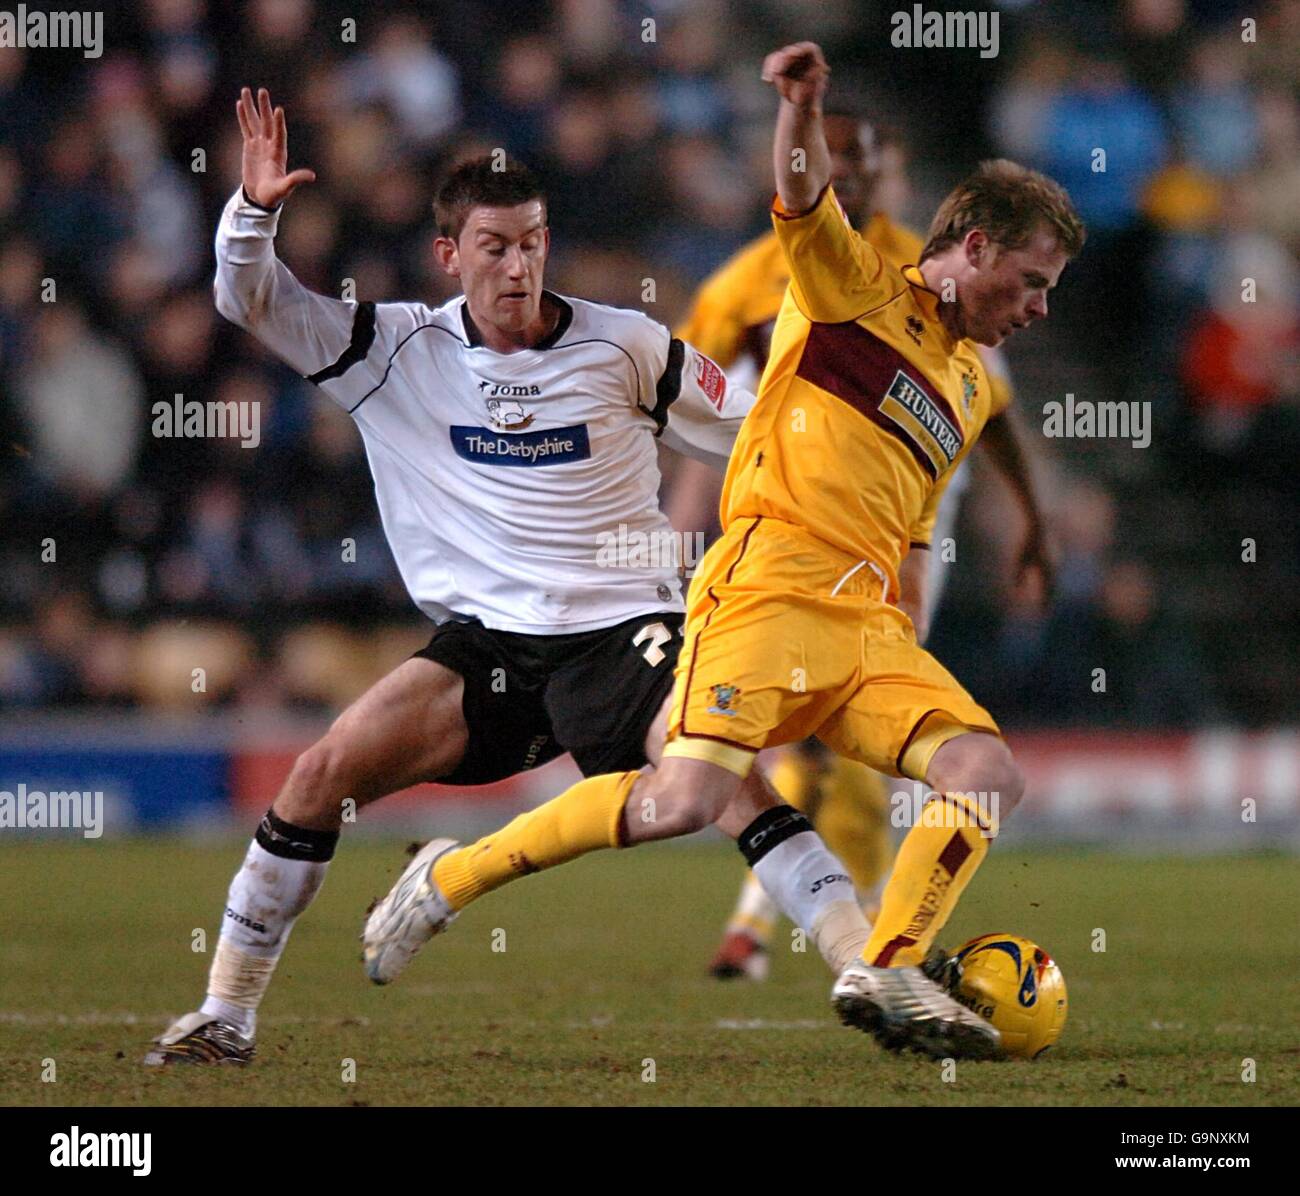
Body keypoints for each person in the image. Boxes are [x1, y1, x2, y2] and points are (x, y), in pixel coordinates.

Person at [365, 43, 1084, 1060]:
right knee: (685, 798)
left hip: (867, 624)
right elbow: (800, 197)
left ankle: (888, 965)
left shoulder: (966, 386)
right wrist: (799, 109)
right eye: (1030, 280)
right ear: (968, 243)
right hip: (764, 593)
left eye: (1050, 291)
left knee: (982, 767)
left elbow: (912, 517)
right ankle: (448, 876)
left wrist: (912, 612)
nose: (1039, 306)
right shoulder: (853, 291)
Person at [145, 87, 872, 1066]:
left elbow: (754, 426)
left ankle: (868, 963)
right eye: (494, 246)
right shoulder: (388, 348)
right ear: (450, 256)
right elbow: (249, 298)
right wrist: (255, 214)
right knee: (316, 778)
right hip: (485, 645)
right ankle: (224, 1015)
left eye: (531, 242)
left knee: (722, 782)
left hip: (625, 626)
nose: (519, 264)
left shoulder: (627, 345)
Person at [671, 112, 1053, 983]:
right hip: (781, 539)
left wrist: (1029, 518)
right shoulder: (800, 272)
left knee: (892, 760)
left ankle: (868, 945)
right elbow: (686, 399)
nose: (856, 177)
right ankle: (795, 926)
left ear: (894, 174)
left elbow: (990, 410)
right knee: (706, 777)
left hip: (891, 545)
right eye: (839, 160)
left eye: (869, 163)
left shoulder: (954, 313)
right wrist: (678, 521)